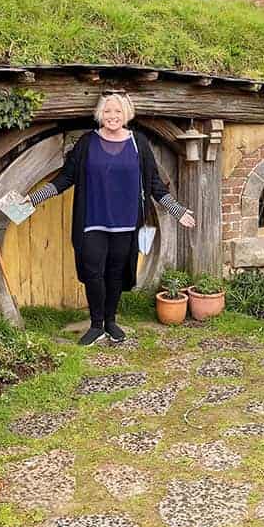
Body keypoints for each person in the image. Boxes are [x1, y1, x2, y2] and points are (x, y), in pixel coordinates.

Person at [24, 91, 196, 346]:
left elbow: (154, 184)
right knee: (93, 272)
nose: (112, 116)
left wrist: (177, 210)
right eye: (107, 111)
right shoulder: (86, 143)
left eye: (117, 111)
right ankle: (96, 325)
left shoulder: (138, 143)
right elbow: (65, 178)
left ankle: (111, 321)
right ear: (100, 115)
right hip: (92, 221)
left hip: (126, 224)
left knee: (115, 274)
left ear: (125, 114)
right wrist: (34, 198)